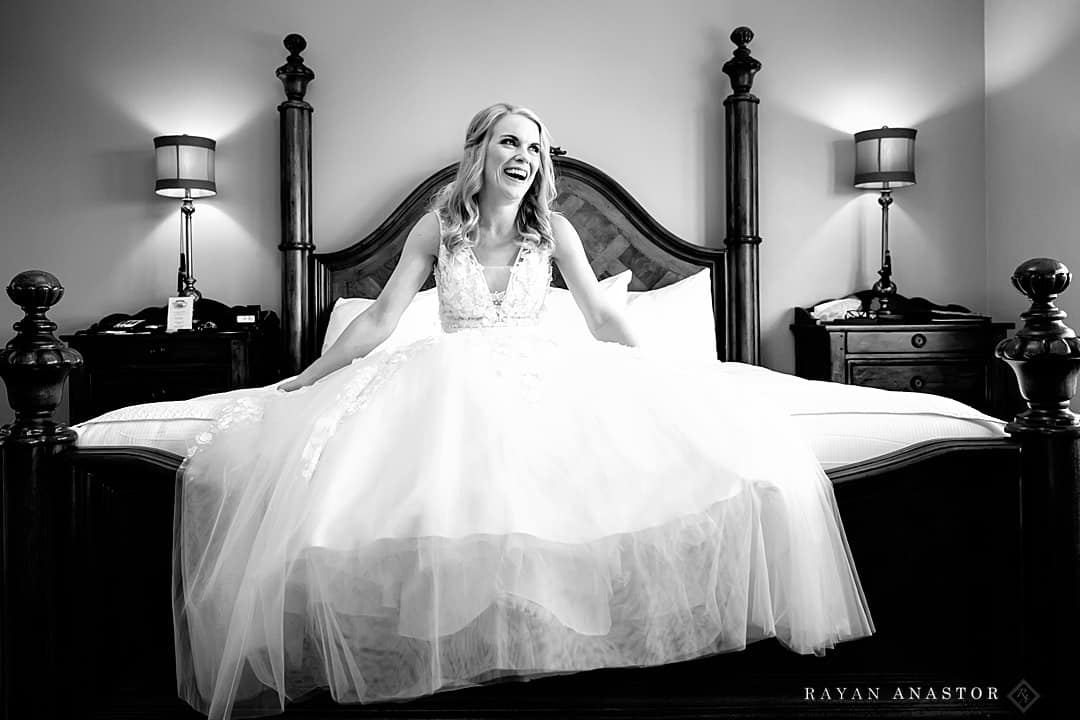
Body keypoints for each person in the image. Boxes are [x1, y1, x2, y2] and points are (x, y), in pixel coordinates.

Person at [173, 103, 874, 720]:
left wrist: (668, 372)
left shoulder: (555, 232)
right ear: (480, 153)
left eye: (535, 147)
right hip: (447, 379)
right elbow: (382, 321)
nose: (525, 157)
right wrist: (310, 374)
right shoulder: (437, 229)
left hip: (542, 372)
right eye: (511, 143)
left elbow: (602, 317)